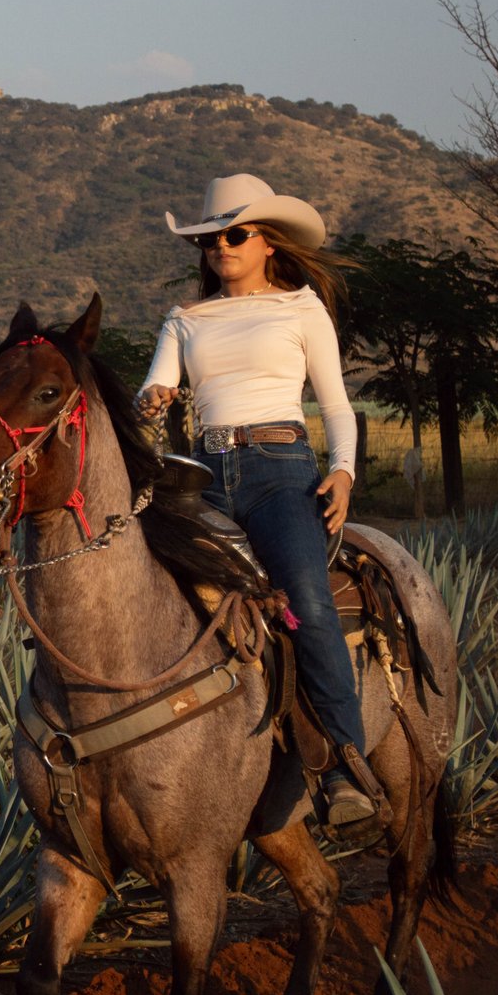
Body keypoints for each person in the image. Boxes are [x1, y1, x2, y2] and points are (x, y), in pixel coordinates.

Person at [136, 173, 376, 827]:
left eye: (234, 234)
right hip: (204, 475)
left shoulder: (301, 309)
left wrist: (344, 471)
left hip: (281, 471)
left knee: (306, 600)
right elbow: (155, 384)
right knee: (157, 599)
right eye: (209, 239)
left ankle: (345, 764)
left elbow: (335, 405)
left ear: (268, 242)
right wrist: (153, 397)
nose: (220, 246)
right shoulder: (185, 319)